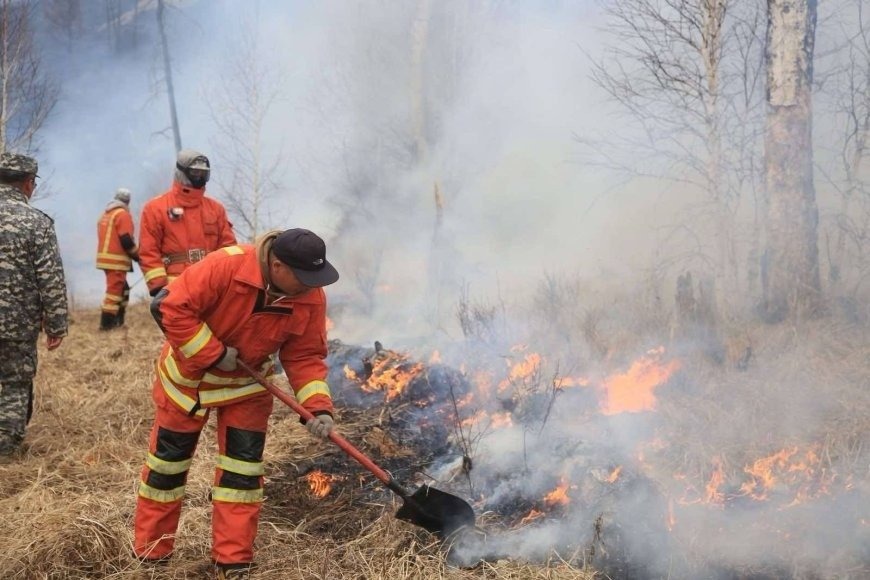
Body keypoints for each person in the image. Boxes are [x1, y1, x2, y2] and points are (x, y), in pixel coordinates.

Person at [133, 228, 339, 580]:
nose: (310, 287)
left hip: (247, 388)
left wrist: (318, 407)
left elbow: (304, 355)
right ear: (276, 265)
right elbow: (169, 306)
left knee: (241, 477)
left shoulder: (310, 296)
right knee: (166, 470)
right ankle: (152, 555)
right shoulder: (224, 266)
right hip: (188, 385)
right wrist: (213, 354)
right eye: (304, 278)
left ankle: (233, 563)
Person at [0, 152, 68, 460]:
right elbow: (50, 278)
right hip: (17, 323)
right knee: (14, 382)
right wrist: (56, 324)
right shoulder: (36, 222)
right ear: (28, 184)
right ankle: (6, 448)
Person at [139, 149, 236, 298]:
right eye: (195, 172)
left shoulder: (216, 209)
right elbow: (148, 250)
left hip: (211, 285)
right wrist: (159, 288)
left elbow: (228, 249)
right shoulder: (155, 208)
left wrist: (228, 282)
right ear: (182, 172)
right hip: (175, 287)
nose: (200, 177)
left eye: (203, 173)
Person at [96, 187, 139, 330]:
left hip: (106, 260)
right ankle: (107, 326)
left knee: (124, 289)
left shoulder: (106, 214)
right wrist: (138, 255)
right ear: (128, 201)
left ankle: (118, 321)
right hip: (116, 261)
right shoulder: (122, 214)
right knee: (114, 293)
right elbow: (126, 240)